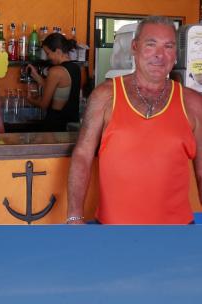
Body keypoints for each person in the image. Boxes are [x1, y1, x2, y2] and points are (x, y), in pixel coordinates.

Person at [67, 16, 202, 224]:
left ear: (176, 53)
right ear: (134, 47)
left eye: (168, 46)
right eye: (151, 45)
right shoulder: (105, 96)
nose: (160, 55)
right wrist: (74, 216)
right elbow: (83, 155)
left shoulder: (193, 102)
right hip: (114, 231)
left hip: (177, 233)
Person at [25, 33, 82, 131]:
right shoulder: (76, 68)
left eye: (48, 53)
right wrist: (36, 75)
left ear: (58, 51)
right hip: (72, 124)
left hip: (56, 124)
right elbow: (58, 88)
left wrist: (30, 100)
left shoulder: (55, 71)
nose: (48, 57)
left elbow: (44, 104)